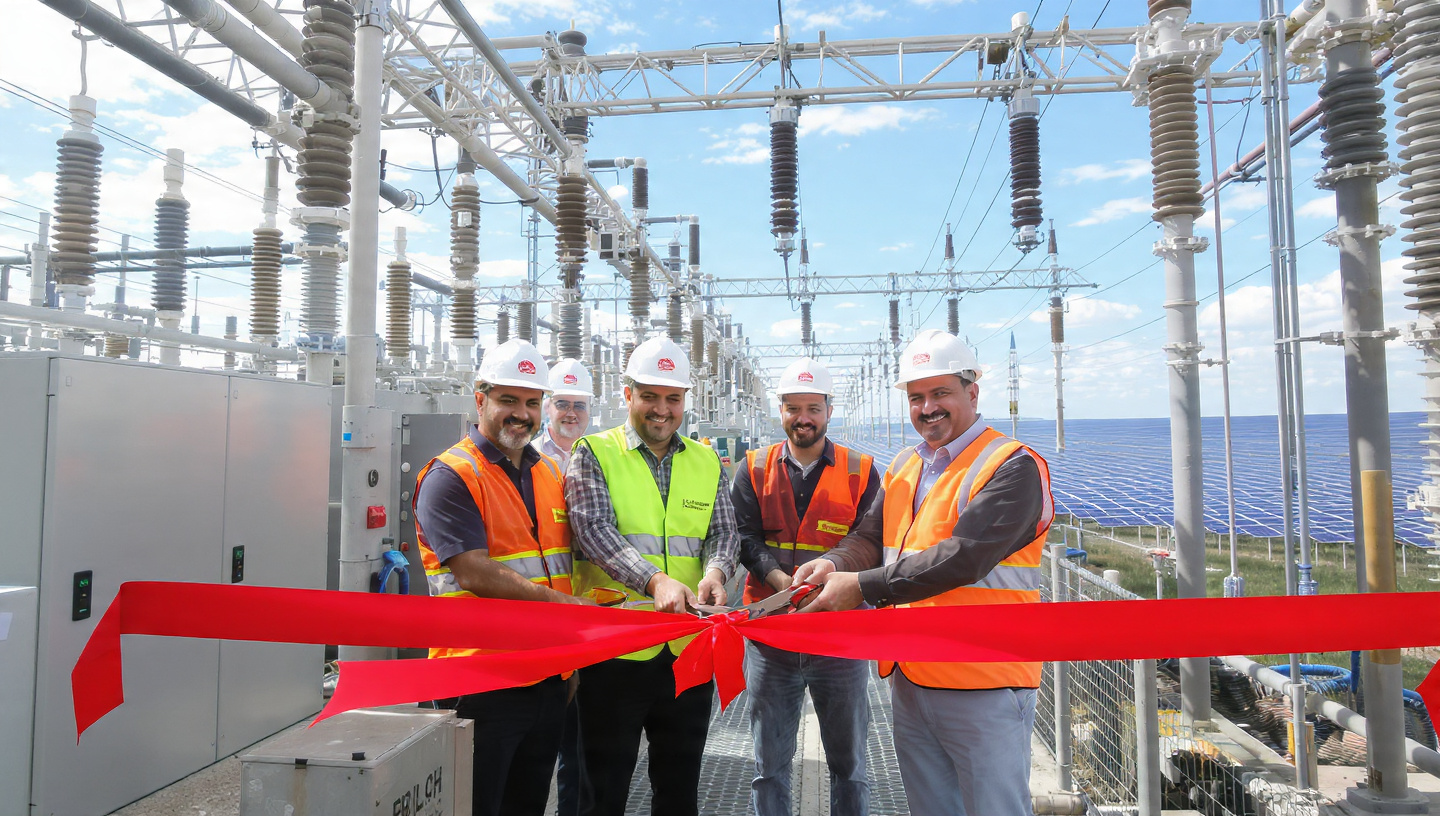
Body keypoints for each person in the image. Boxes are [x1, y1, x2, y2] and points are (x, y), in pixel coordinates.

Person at [796, 329, 1054, 816]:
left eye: (941, 394)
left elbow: (965, 557)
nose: (927, 408)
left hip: (985, 679)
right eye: (917, 397)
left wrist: (862, 587)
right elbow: (871, 537)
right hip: (913, 675)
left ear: (972, 392)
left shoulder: (1012, 466)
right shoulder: (904, 466)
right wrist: (833, 563)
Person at [412, 339, 589, 816]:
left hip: (547, 677)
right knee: (476, 805)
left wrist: (568, 664)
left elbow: (563, 566)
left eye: (532, 403)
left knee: (527, 804)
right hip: (479, 681)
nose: (522, 414)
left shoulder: (548, 473)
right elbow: (470, 569)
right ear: (480, 399)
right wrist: (559, 609)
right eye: (508, 400)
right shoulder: (451, 475)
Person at [565, 336, 739, 816]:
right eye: (650, 396)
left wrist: (718, 572)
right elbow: (593, 529)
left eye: (673, 398)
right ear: (628, 396)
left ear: (685, 401)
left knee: (679, 790)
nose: (662, 410)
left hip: (688, 650)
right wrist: (655, 582)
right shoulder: (594, 453)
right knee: (602, 792)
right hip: (616, 649)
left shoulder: (705, 460)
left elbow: (724, 531)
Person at [730, 358, 880, 816]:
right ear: (781, 410)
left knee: (850, 764)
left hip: (839, 638)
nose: (804, 418)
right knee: (768, 765)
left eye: (813, 407)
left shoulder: (861, 470)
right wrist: (778, 580)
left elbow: (871, 540)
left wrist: (831, 575)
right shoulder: (752, 468)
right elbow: (744, 537)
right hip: (771, 634)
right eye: (794, 407)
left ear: (829, 411)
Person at [536, 358, 593, 472]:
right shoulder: (531, 453)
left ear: (589, 409)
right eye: (562, 405)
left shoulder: (599, 453)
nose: (571, 414)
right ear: (547, 407)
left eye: (579, 406)